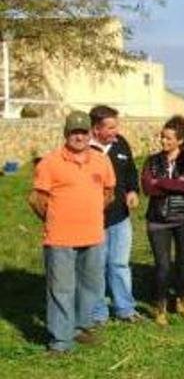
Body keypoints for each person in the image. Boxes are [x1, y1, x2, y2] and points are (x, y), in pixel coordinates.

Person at [28, 111, 115, 353]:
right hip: (60, 237)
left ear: (91, 133)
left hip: (93, 235)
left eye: (83, 132)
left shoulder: (101, 161)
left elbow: (109, 193)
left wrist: (90, 213)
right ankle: (60, 341)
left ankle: (78, 327)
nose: (79, 136)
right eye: (74, 132)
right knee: (61, 289)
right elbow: (37, 199)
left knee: (91, 287)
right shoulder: (50, 162)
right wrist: (56, 218)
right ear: (66, 134)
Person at [141, 116, 184, 326]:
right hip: (157, 219)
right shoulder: (152, 161)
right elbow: (147, 188)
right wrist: (173, 183)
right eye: (162, 137)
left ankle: (182, 301)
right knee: (163, 265)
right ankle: (160, 307)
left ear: (180, 140)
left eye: (168, 138)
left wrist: (162, 182)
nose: (163, 141)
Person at [88, 105, 141, 324]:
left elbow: (131, 171)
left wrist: (132, 190)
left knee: (119, 264)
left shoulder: (121, 144)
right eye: (110, 127)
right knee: (96, 266)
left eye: (115, 126)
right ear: (95, 129)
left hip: (120, 217)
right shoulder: (85, 150)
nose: (115, 131)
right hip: (94, 219)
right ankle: (98, 313)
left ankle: (125, 309)